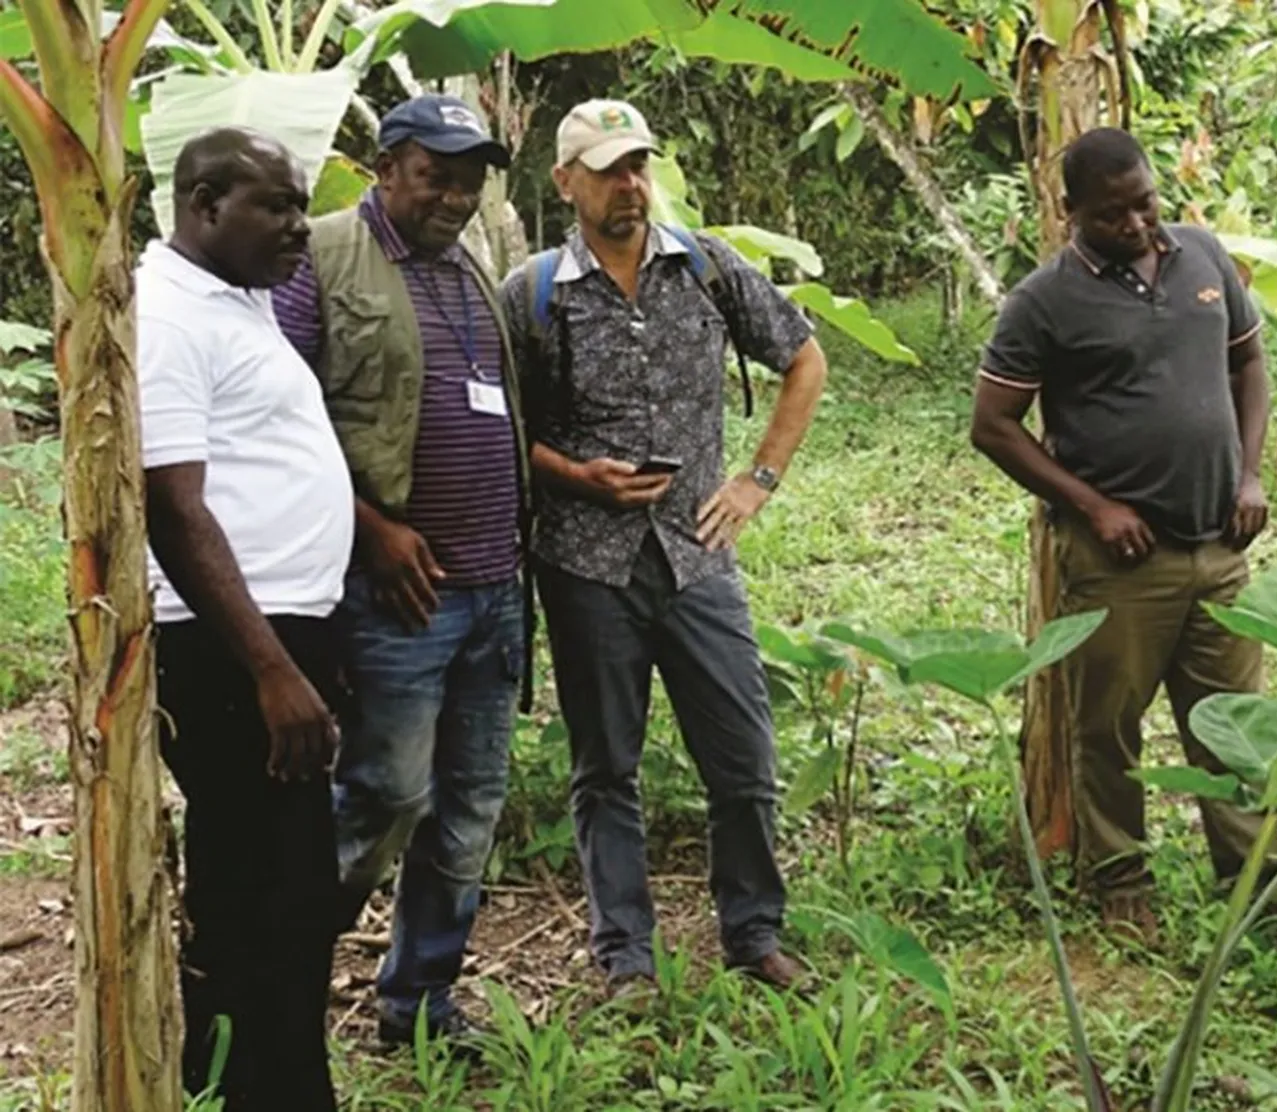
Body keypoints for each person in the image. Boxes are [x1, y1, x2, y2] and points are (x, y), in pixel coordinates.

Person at [502, 99, 828, 995]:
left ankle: (754, 935)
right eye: (608, 170)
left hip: (697, 556)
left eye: (638, 166)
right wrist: (577, 475)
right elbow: (506, 429)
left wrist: (757, 480)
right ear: (566, 182)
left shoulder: (710, 269)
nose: (629, 186)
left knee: (743, 756)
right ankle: (627, 960)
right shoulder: (532, 293)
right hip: (586, 566)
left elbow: (804, 358)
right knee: (606, 768)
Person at [271, 94, 532, 1046]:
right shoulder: (323, 254)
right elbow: (276, 420)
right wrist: (370, 528)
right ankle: (284, 978)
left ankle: (417, 1004)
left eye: (469, 178)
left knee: (468, 813)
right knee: (383, 794)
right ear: (387, 168)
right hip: (398, 598)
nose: (455, 195)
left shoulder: (469, 267)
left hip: (494, 592)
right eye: (436, 173)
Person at [970, 128, 1272, 944]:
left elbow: (1249, 363)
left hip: (1220, 547)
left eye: (1146, 202)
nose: (1138, 224)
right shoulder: (1044, 301)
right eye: (1113, 215)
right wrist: (1093, 506)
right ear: (1070, 213)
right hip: (1118, 561)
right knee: (1109, 727)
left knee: (1234, 724)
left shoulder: (1204, 257)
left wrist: (1250, 475)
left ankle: (1252, 884)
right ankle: (1121, 881)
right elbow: (993, 425)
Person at [139, 128, 352, 1110]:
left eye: (302, 206)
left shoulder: (238, 300)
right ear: (205, 202)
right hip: (230, 646)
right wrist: (270, 667)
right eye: (278, 206)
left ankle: (245, 1080)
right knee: (274, 893)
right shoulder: (169, 314)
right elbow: (173, 508)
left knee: (270, 885)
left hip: (279, 632)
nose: (299, 228)